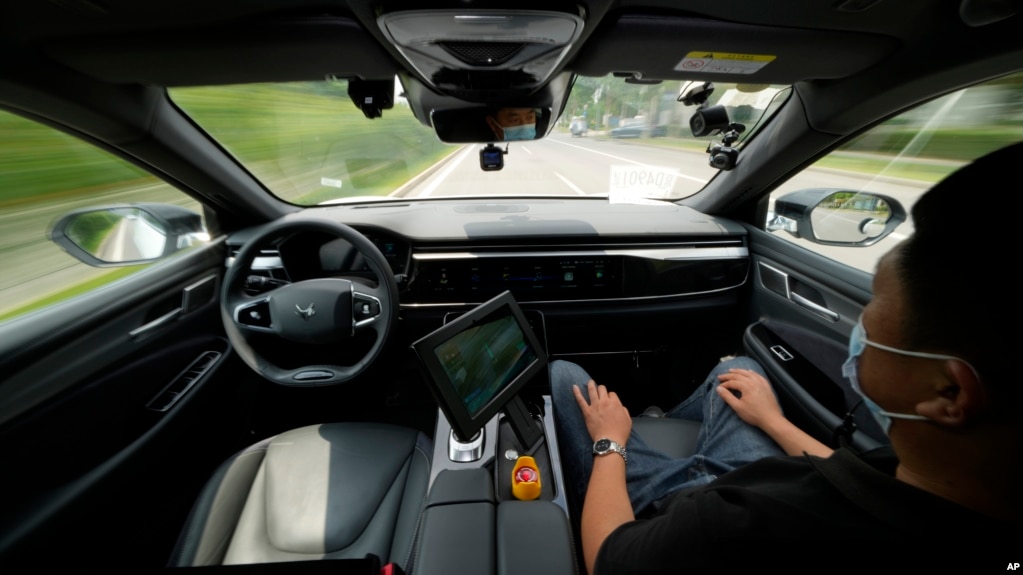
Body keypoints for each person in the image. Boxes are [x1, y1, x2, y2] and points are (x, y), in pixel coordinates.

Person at [552, 142, 1021, 573]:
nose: (861, 331)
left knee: (565, 375)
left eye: (873, 317)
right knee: (739, 373)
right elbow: (850, 476)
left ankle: (636, 437)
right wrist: (773, 421)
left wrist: (610, 442)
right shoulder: (927, 480)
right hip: (740, 477)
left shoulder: (740, 529)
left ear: (950, 391)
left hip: (672, 508)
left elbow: (609, 557)